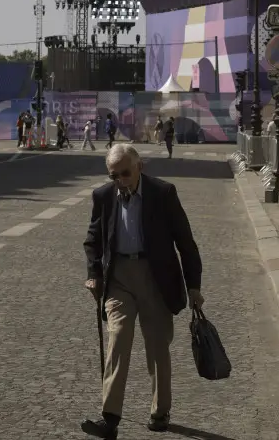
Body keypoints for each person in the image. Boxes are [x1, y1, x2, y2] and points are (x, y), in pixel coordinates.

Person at [81, 144, 203, 439]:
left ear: (140, 167)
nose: (120, 180)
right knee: (118, 338)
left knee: (157, 346)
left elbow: (185, 242)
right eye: (114, 175)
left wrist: (194, 287)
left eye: (125, 173)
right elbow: (93, 239)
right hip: (119, 276)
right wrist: (94, 274)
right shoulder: (103, 196)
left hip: (155, 277)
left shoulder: (163, 194)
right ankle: (109, 418)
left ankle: (160, 411)